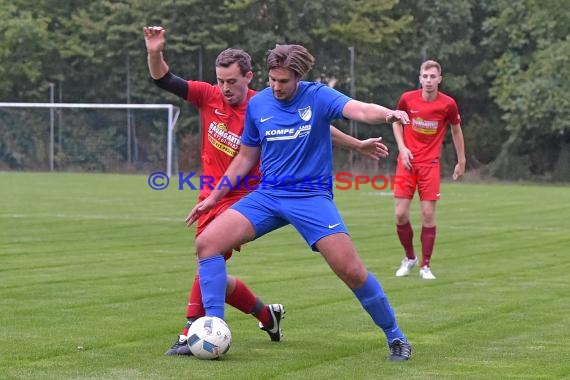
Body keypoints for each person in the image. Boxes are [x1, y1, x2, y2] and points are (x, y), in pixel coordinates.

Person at [143, 27, 390, 356]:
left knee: (348, 268)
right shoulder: (212, 96)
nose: (225, 88)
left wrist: (359, 141)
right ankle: (245, 318)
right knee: (208, 255)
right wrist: (155, 52)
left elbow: (322, 121)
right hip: (223, 191)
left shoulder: (270, 101)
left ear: (248, 77)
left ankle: (197, 328)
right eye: (221, 80)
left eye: (232, 81)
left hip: (257, 192)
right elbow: (165, 81)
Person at [392, 60, 465, 280]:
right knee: (400, 214)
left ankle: (425, 265)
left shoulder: (448, 104)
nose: (429, 80)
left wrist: (461, 160)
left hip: (430, 164)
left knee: (428, 214)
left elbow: (456, 130)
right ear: (420, 78)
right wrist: (402, 148)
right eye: (425, 76)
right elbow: (396, 121)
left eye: (433, 77)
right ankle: (410, 258)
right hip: (407, 162)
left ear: (439, 79)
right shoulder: (407, 98)